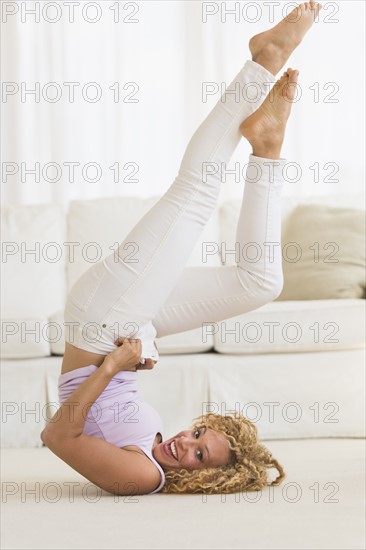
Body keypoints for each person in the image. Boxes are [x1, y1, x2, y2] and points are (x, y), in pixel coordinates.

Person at [41, 2, 322, 495]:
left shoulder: (145, 477)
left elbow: (58, 435)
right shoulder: (153, 455)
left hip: (98, 324)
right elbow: (112, 407)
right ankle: (267, 148)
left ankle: (263, 60)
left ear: (206, 477)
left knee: (194, 195)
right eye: (197, 436)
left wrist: (112, 366)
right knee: (260, 284)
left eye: (197, 454)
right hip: (121, 327)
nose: (183, 444)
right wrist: (140, 353)